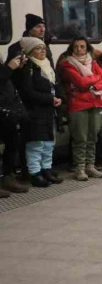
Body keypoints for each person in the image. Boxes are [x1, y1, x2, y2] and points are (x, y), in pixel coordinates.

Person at [58, 36, 102, 181]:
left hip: (95, 102)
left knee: (93, 137)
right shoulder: (67, 65)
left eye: (82, 46)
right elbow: (80, 82)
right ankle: (79, 168)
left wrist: (93, 85)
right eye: (76, 47)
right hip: (78, 105)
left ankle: (90, 166)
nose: (79, 50)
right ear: (71, 49)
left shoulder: (93, 63)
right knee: (80, 138)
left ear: (87, 48)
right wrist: (95, 80)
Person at [14, 37, 63, 187]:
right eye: (38, 48)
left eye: (43, 48)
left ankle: (46, 169)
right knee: (36, 144)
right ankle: (35, 173)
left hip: (49, 111)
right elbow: (27, 92)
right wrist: (50, 98)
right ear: (29, 51)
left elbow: (55, 86)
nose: (43, 51)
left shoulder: (47, 66)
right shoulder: (27, 68)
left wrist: (59, 98)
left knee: (48, 143)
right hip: (34, 112)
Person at [0, 51, 29, 196]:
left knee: (12, 144)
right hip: (3, 109)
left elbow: (9, 81)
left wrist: (18, 69)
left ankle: (8, 176)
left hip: (8, 111)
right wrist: (9, 68)